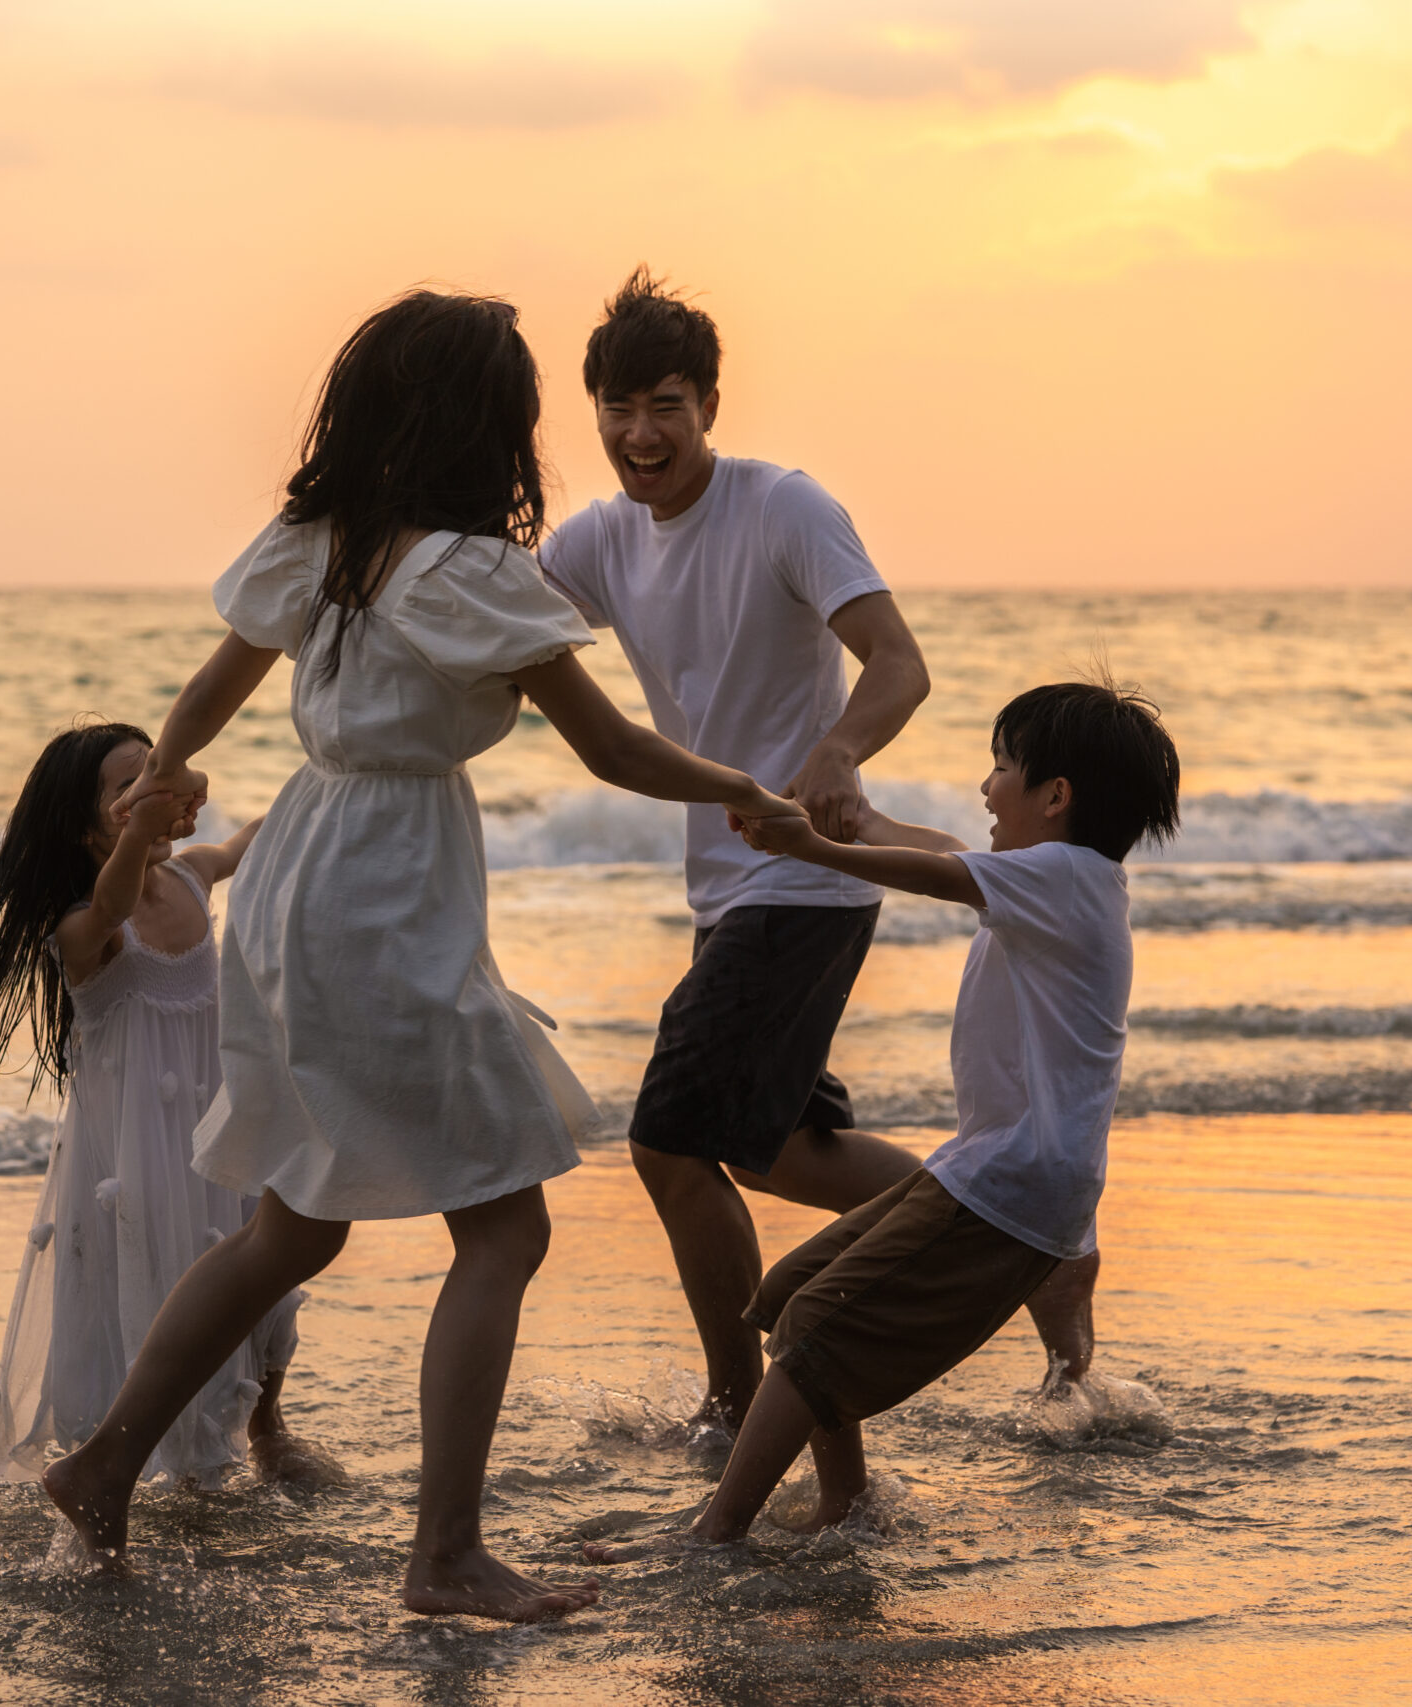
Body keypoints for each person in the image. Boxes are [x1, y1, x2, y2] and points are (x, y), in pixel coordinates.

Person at [38, 289, 806, 1623]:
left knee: (295, 1219)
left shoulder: (322, 542)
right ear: (489, 427)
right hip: (388, 890)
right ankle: (443, 1552)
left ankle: (105, 1466)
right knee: (505, 1222)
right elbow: (616, 750)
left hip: (299, 877)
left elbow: (212, 688)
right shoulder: (474, 574)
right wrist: (753, 785)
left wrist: (165, 776)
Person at [586, 681, 1179, 1556]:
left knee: (815, 1331)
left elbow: (936, 871)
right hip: (986, 1168)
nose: (986, 786)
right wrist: (847, 819)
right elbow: (936, 844)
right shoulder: (1063, 879)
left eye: (1004, 767)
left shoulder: (1066, 878)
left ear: (1056, 796)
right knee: (790, 1300)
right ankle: (845, 1504)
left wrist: (810, 846)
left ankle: (717, 1530)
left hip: (1011, 1186)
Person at [537, 267, 936, 1438]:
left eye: (665, 404)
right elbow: (489, 628)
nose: (639, 434)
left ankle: (734, 1400)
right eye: (616, 407)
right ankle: (1012, 1224)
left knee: (668, 1140)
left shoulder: (783, 508)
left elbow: (897, 663)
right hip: (726, 890)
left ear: (709, 402)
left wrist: (837, 755)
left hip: (805, 875)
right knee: (777, 1150)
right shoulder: (601, 541)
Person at [0, 723, 325, 1491]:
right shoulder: (83, 927)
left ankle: (266, 1423)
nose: (152, 791)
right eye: (128, 786)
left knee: (267, 1274)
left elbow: (251, 841)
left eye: (156, 772)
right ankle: (167, 1462)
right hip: (136, 1157)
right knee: (157, 1286)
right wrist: (147, 821)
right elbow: (116, 896)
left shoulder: (191, 877)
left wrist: (329, 768)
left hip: (222, 1125)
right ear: (83, 826)